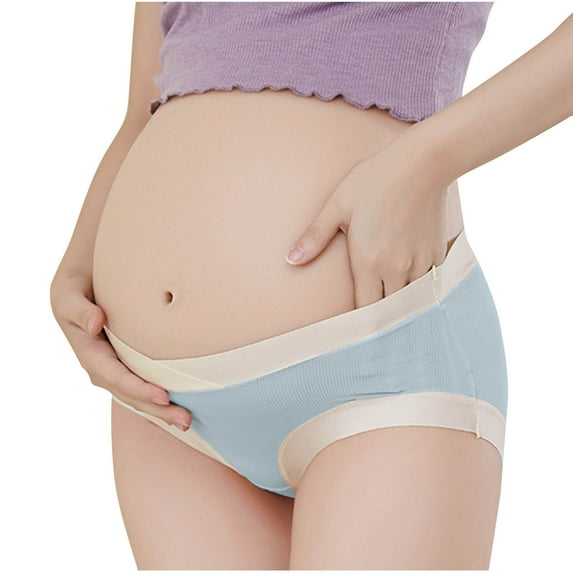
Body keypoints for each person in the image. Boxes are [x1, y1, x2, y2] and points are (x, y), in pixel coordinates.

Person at [49, 2, 572, 570]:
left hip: (377, 368)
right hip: (161, 402)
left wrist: (424, 159)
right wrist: (79, 262)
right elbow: (144, 105)